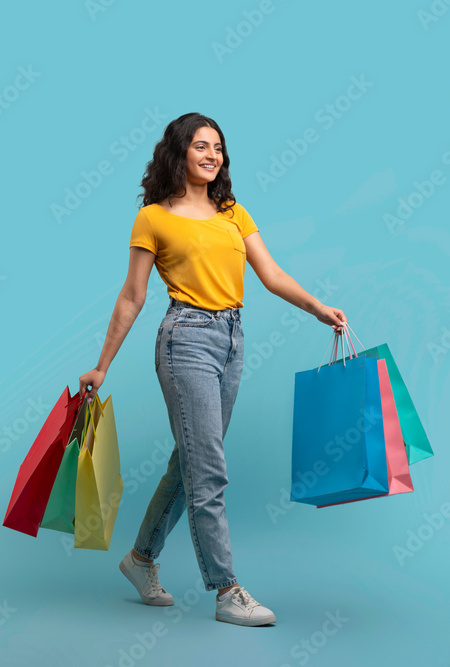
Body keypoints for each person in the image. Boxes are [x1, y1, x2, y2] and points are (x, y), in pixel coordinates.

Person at [78, 112, 347, 627]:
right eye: (201, 145)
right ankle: (226, 591)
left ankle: (139, 560)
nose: (211, 155)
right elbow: (133, 296)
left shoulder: (233, 212)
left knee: (190, 462)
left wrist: (318, 308)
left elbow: (269, 274)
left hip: (231, 340)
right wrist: (101, 366)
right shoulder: (153, 217)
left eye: (218, 147)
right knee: (209, 470)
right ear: (178, 151)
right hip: (186, 342)